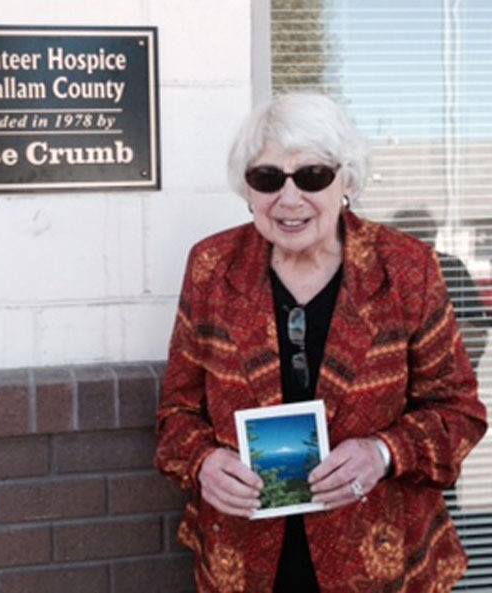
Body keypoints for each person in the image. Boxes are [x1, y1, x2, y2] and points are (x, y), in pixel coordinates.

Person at [155, 92, 488, 593]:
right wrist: (204, 462)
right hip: (245, 559)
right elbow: (176, 415)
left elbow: (460, 412)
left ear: (347, 180)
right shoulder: (211, 267)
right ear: (247, 190)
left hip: (381, 558)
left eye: (312, 176)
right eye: (267, 179)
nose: (289, 200)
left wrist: (383, 452)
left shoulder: (407, 268)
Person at [392, 208, 491, 370]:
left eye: (428, 234)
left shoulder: (451, 268)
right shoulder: (385, 273)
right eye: (417, 235)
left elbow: (477, 329)